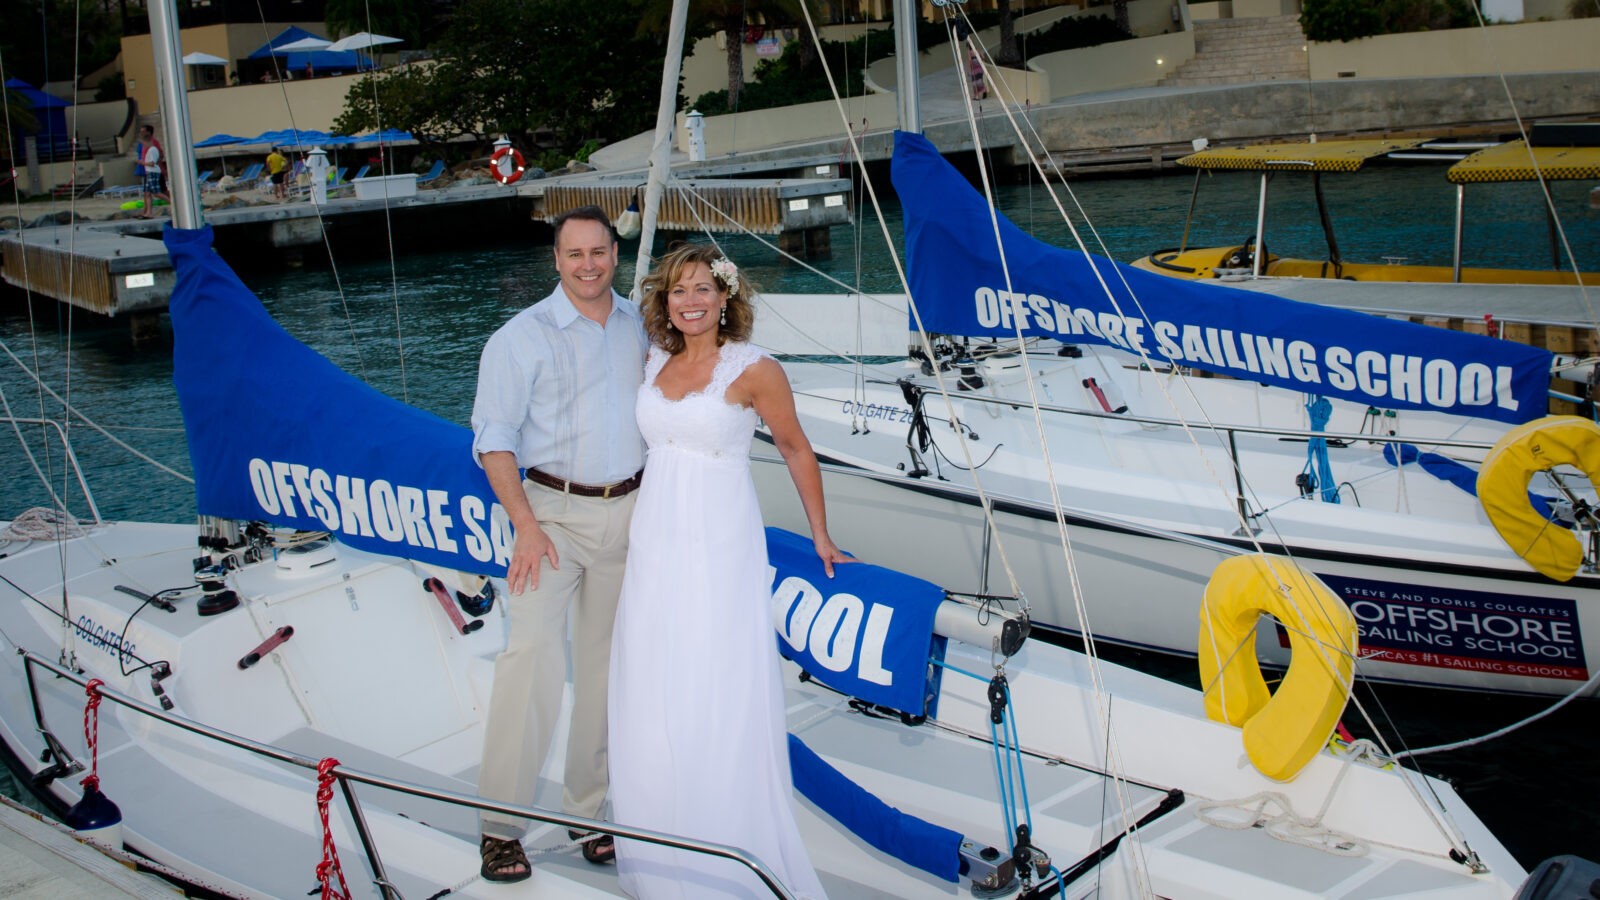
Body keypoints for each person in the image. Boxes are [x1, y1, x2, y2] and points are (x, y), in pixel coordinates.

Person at [608, 243, 847, 899]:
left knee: (714, 674)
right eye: (678, 291)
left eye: (702, 290)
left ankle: (727, 839)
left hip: (718, 539)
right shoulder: (653, 360)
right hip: (655, 536)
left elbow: (797, 450)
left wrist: (821, 535)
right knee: (655, 674)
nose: (690, 302)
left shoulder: (755, 369)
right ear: (666, 301)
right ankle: (662, 825)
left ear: (726, 298)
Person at [470, 205, 647, 883]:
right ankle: (500, 827)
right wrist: (524, 524)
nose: (588, 265)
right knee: (532, 662)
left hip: (626, 513)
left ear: (613, 254)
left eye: (599, 252)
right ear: (556, 260)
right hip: (547, 515)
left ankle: (589, 811)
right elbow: (493, 438)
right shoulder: (521, 337)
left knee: (605, 669)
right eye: (575, 254)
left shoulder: (637, 325)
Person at [137, 125, 167, 219]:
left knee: (159, 192)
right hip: (149, 171)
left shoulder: (153, 144)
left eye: (143, 131)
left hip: (154, 171)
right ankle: (147, 212)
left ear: (149, 133)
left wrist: (143, 162)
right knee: (147, 193)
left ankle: (174, 204)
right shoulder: (146, 144)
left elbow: (157, 158)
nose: (141, 133)